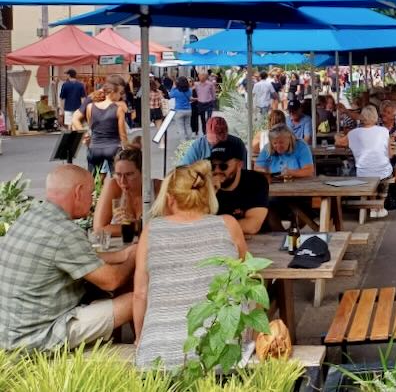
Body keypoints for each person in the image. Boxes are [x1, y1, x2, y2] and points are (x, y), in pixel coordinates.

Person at [0, 165, 136, 351]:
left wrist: (121, 254)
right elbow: (111, 281)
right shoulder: (63, 232)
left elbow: (77, 257)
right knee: (136, 300)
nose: (92, 199)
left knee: (96, 292)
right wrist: (133, 256)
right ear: (79, 192)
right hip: (38, 337)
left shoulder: (31, 217)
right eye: (91, 193)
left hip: (11, 330)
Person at [134, 161, 247, 369]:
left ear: (169, 199)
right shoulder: (229, 224)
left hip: (158, 353)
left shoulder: (151, 230)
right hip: (220, 351)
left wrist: (141, 338)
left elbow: (140, 294)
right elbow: (246, 280)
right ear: (206, 195)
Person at [255, 124, 315, 231]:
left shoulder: (301, 146)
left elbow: (309, 171)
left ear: (290, 139)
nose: (278, 146)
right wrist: (266, 172)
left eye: (281, 142)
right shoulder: (268, 148)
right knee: (266, 205)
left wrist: (291, 172)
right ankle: (282, 236)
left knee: (302, 211)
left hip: (301, 193)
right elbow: (257, 167)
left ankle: (289, 235)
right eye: (275, 143)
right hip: (276, 194)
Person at [210, 138, 269, 234]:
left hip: (257, 242)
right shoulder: (205, 184)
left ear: (239, 164)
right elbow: (194, 221)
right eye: (212, 166)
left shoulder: (256, 181)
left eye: (223, 166)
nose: (216, 171)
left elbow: (251, 226)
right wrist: (210, 193)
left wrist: (212, 228)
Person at [93, 140, 144, 236]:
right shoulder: (114, 186)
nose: (123, 181)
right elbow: (99, 229)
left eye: (129, 174)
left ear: (142, 172)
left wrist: (132, 226)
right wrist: (138, 226)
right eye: (118, 174)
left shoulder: (156, 188)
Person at [85, 82, 128, 176]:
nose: (119, 96)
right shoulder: (118, 109)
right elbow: (122, 133)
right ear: (112, 92)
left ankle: (96, 190)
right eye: (119, 93)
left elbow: (91, 126)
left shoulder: (90, 107)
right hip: (113, 147)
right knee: (117, 178)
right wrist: (127, 148)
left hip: (95, 147)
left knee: (93, 178)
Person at [179, 116, 248, 166]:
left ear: (226, 133)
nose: (216, 146)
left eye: (220, 142)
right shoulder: (198, 145)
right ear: (207, 133)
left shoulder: (238, 144)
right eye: (212, 143)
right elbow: (184, 169)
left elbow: (244, 169)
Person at [169, 76, 194, 142]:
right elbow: (190, 97)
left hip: (179, 110)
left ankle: (183, 141)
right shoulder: (189, 90)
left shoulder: (176, 91)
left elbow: (170, 95)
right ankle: (190, 140)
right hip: (188, 110)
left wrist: (173, 87)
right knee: (188, 126)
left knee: (181, 127)